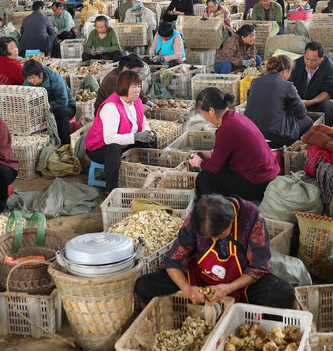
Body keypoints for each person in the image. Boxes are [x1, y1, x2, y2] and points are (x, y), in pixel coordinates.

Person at [134, 194, 295, 308]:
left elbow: (258, 268)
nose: (215, 241)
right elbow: (172, 262)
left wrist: (227, 289)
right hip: (200, 279)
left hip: (240, 284)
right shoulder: (197, 218)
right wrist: (187, 289)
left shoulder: (251, 217)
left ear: (231, 221)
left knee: (283, 293)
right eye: (209, 238)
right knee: (145, 286)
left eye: (218, 236)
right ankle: (185, 315)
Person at [191, 87, 280, 201]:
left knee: (204, 178)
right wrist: (211, 154)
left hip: (260, 184)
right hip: (270, 174)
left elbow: (215, 168)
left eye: (203, 114)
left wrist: (199, 162)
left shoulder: (226, 129)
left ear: (212, 111)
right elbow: (233, 149)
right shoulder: (236, 117)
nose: (204, 117)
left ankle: (211, 213)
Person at [84, 70, 153, 191]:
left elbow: (143, 120)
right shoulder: (111, 107)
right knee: (113, 149)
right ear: (123, 87)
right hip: (99, 147)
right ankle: (111, 190)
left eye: (139, 86)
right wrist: (136, 137)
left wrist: (147, 132)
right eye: (133, 87)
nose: (138, 90)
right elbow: (109, 138)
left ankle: (153, 176)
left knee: (151, 138)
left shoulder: (136, 101)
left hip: (125, 141)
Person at [244, 55, 313, 147]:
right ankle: (287, 149)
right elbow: (301, 113)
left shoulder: (255, 82)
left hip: (251, 133)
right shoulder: (287, 86)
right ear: (286, 71)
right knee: (307, 121)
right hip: (275, 137)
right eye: (290, 73)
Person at [22, 58, 75, 147]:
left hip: (66, 107)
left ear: (41, 72)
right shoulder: (28, 83)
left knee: (61, 112)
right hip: (41, 108)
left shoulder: (55, 79)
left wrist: (44, 107)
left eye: (33, 78)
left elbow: (62, 102)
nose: (31, 81)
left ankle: (65, 144)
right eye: (28, 79)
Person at [289, 42, 333, 126]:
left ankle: (327, 131)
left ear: (322, 57)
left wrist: (309, 102)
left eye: (314, 60)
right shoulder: (297, 64)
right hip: (301, 100)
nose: (309, 63)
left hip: (319, 103)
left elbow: (327, 93)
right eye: (307, 59)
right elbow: (290, 84)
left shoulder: (330, 68)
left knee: (329, 105)